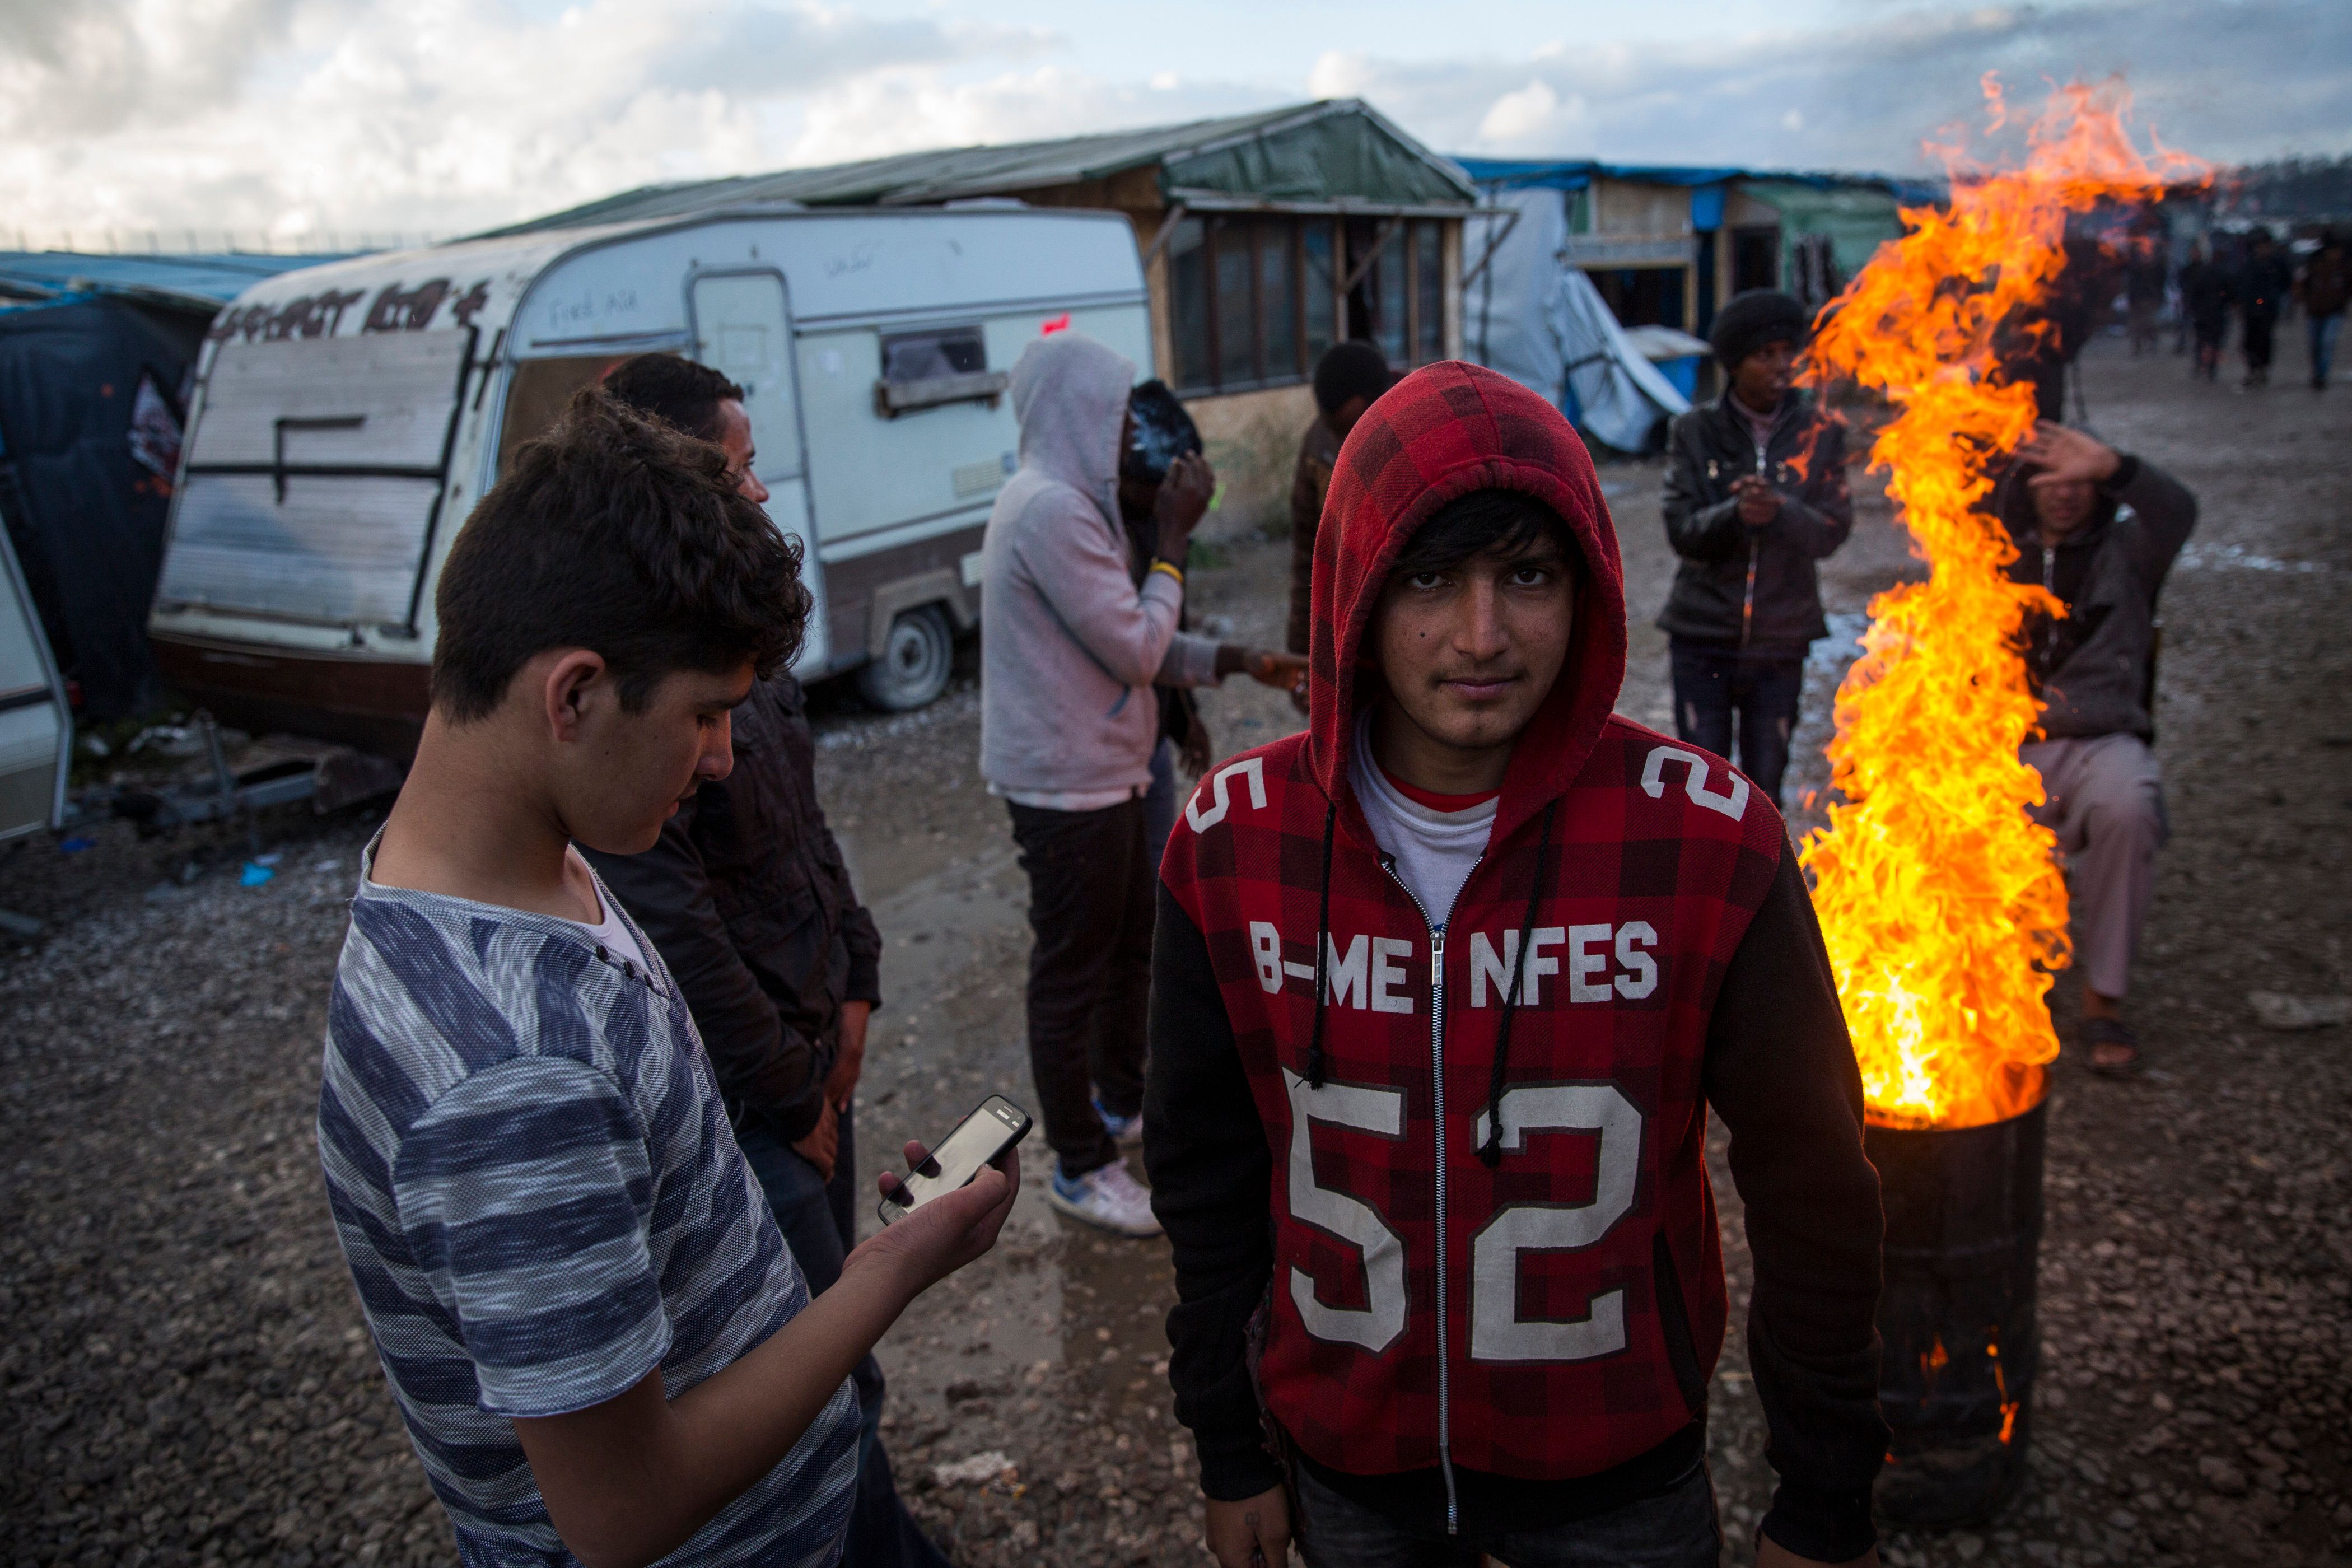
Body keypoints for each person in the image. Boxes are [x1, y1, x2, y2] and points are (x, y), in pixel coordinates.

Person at [1147, 360, 1888, 1568]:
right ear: (1354, 592)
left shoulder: (1709, 838)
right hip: (1346, 1464)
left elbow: (1815, 1187)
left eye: (1528, 576)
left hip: (1618, 1469)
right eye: (1429, 578)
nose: (1481, 636)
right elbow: (1205, 1174)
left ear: (1588, 584)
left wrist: (1824, 1492)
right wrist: (1228, 1445)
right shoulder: (1230, 843)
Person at [318, 388, 1016, 1568]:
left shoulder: (508, 866)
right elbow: (624, 1510)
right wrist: (895, 1265)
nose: (722, 757)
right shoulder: (512, 1074)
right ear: (575, 692)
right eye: (705, 714)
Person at [583, 353, 945, 1568]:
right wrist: (796, 1090)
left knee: (839, 1336)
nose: (761, 493)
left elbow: (805, 829)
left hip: (813, 1056)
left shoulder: (739, 643)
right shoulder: (643, 692)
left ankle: (877, 1529)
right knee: (807, 1362)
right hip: (763, 1100)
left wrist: (858, 980)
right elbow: (677, 917)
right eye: (739, 469)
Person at [978, 330, 1305, 1236]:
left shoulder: (1079, 508)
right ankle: (1080, 1167)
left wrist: (1245, 660)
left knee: (1129, 950)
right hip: (1066, 785)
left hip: (1105, 772)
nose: (1130, 428)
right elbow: (1136, 644)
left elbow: (1141, 639)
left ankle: (1120, 1102)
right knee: (1072, 970)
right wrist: (1173, 539)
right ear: (1076, 410)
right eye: (1115, 409)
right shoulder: (1050, 511)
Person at [1998, 422, 2198, 1077]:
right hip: (2008, 741)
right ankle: (1986, 991)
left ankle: (2103, 998)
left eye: (2079, 478)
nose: (2064, 492)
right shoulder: (1995, 554)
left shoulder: (2130, 551)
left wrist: (2116, 464)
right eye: (2049, 477)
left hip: (2102, 738)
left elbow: (2178, 509)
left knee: (2129, 807)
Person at [1658, 288, 1854, 806]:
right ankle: (1702, 883)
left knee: (1767, 785)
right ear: (1734, 363)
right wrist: (1734, 515)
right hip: (1704, 636)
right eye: (1764, 355)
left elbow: (1833, 531)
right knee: (1702, 785)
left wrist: (1782, 509)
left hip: (1782, 641)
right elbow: (1681, 529)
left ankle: (1761, 883)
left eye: (1788, 352)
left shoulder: (1821, 433)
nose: (1781, 366)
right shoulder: (1695, 432)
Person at [1288, 342, 1396, 686]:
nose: (1345, 446)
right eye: (1335, 431)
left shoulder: (1424, 432)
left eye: (1353, 429)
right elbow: (1307, 553)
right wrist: (1300, 655)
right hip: (1348, 623)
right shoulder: (1317, 449)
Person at [2238, 227, 2294, 388]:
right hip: (2251, 309)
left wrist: (2275, 297)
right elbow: (2242, 285)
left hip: (2269, 308)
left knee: (2264, 339)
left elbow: (2285, 283)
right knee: (2249, 341)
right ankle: (2252, 369)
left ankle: (2261, 369)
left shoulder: (2277, 264)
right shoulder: (2250, 263)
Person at [2297, 228, 2349, 390]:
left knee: (2327, 342)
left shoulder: (2345, 268)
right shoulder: (2314, 264)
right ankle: (2317, 371)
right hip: (2315, 311)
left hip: (2335, 311)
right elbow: (2302, 285)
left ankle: (2322, 375)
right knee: (2316, 345)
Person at [2179, 240, 2233, 382]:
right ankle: (2207, 367)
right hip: (2209, 313)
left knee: (2206, 341)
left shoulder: (2204, 273)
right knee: (2207, 341)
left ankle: (2206, 366)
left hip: (2208, 313)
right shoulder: (2217, 272)